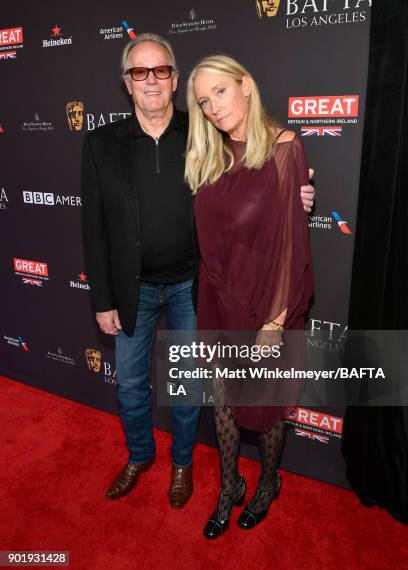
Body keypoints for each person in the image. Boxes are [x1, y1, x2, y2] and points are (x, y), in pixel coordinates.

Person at [81, 34, 315, 510]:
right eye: (139, 72)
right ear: (126, 83)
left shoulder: (203, 131)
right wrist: (102, 298)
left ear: (174, 78)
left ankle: (183, 464)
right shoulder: (101, 144)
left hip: (192, 286)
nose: (151, 81)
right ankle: (139, 456)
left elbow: (258, 173)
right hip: (133, 290)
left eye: (160, 71)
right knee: (129, 382)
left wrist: (296, 197)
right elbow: (93, 227)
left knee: (189, 383)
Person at [185, 55, 313, 538]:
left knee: (267, 407)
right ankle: (228, 486)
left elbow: (291, 245)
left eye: (220, 92)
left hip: (267, 304)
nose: (214, 108)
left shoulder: (285, 148)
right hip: (218, 299)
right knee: (222, 402)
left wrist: (275, 322)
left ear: (246, 86)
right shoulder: (209, 153)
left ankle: (267, 483)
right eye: (203, 102)